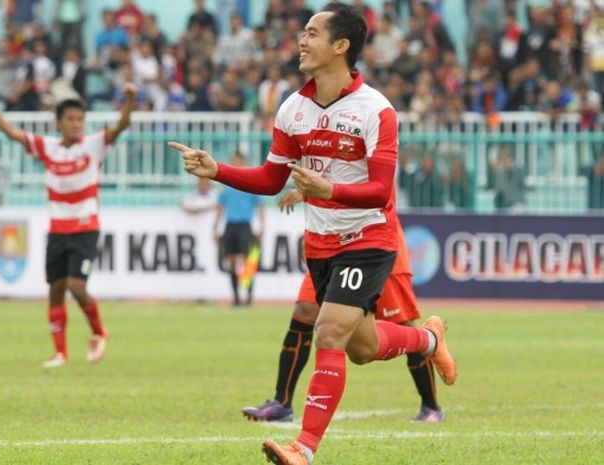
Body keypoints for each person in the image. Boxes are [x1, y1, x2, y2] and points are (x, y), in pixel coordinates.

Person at [169, 4, 456, 464]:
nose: (301, 40)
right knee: (359, 347)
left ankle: (303, 449)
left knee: (327, 332)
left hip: (368, 238)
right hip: (319, 244)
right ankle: (429, 340)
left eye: (312, 33)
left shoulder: (376, 110)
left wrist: (330, 189)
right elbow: (270, 178)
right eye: (303, 32)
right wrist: (217, 169)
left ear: (341, 46)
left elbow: (381, 192)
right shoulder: (293, 108)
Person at [242, 190, 444, 423]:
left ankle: (431, 405)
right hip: (332, 245)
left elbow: (372, 186)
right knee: (305, 311)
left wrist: (312, 189)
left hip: (375, 243)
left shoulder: (372, 154)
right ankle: (282, 402)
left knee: (403, 324)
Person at [0, 82, 137, 368]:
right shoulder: (47, 147)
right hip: (58, 229)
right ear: (59, 123)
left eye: (80, 119)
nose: (76, 124)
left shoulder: (94, 145)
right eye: (71, 119)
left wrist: (131, 100)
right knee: (55, 289)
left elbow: (121, 125)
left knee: (76, 286)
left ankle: (99, 332)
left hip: (85, 227)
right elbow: (11, 133)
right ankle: (60, 353)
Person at [214, 152, 265, 307]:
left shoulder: (249, 181)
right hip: (230, 224)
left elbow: (260, 205)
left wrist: (261, 226)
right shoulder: (226, 184)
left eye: (238, 161)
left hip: (245, 224)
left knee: (247, 262)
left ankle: (248, 299)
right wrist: (215, 226)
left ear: (243, 162)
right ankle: (236, 298)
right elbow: (221, 206)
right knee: (230, 261)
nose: (236, 163)